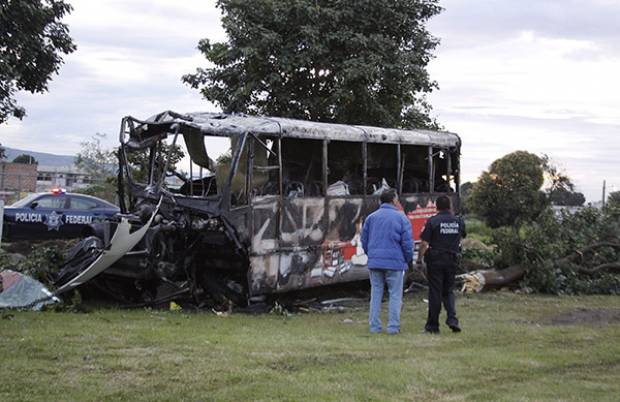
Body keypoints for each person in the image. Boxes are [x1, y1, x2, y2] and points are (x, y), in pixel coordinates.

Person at [361, 189, 413, 334]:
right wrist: (407, 259)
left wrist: (371, 254)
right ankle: (393, 327)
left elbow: (364, 240)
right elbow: (407, 244)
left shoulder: (371, 218)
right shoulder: (401, 218)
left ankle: (374, 327)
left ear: (380, 201)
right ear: (394, 200)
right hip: (395, 263)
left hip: (375, 262)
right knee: (395, 295)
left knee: (376, 293)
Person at [417, 195, 466, 334]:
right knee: (449, 291)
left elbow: (424, 243)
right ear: (450, 206)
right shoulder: (459, 221)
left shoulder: (433, 221)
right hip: (452, 259)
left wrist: (419, 260)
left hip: (435, 260)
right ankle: (452, 319)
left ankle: (433, 326)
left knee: (435, 292)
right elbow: (461, 237)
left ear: (437, 207)